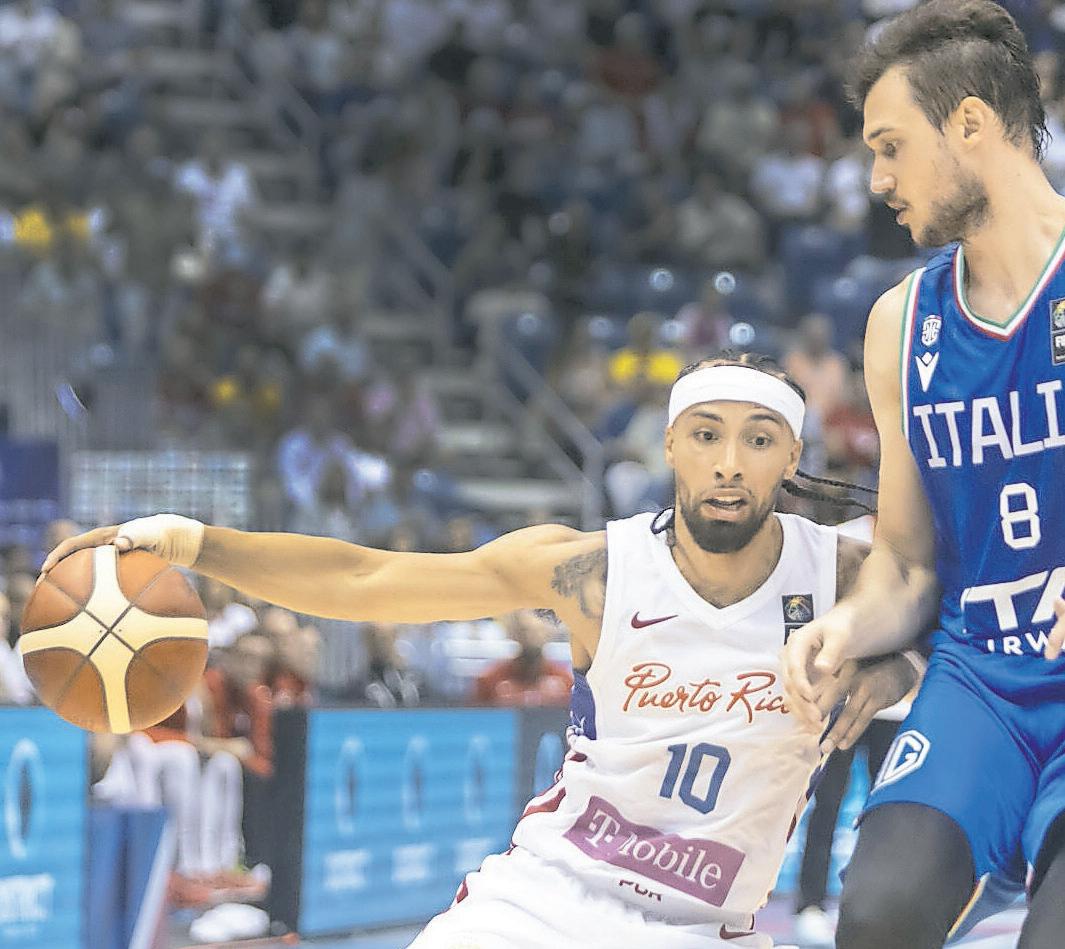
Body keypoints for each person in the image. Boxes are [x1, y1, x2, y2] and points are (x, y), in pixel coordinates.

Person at [41, 352, 922, 949]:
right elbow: (367, 578)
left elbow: (964, 633)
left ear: (791, 454)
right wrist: (193, 541)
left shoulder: (847, 575)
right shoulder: (596, 570)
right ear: (669, 447)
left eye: (757, 439)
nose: (729, 461)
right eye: (705, 434)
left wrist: (892, 668)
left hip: (705, 922)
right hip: (548, 897)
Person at [780, 4, 1065, 948]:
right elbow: (904, 564)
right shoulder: (900, 325)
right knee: (878, 915)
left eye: (891, 147)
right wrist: (842, 629)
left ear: (970, 124)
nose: (877, 180)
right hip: (981, 680)